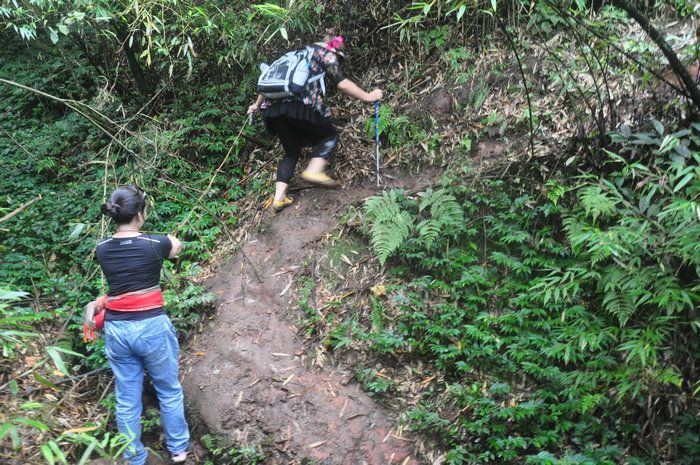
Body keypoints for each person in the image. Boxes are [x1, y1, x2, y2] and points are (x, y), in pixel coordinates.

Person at [89, 185, 190, 465]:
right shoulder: (155, 243)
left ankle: (134, 457)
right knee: (168, 389)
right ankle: (179, 449)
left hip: (117, 330)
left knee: (126, 397)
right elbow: (176, 247)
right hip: (152, 327)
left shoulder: (102, 249)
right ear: (140, 214)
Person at [247, 34, 384, 212]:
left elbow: (269, 82)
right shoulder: (325, 54)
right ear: (334, 48)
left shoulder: (294, 54)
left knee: (291, 152)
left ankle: (279, 198)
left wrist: (257, 105)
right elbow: (341, 84)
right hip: (301, 105)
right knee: (329, 136)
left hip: (274, 110)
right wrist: (368, 96)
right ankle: (313, 170)